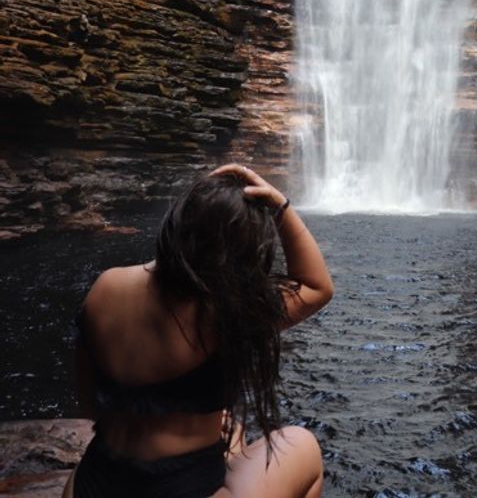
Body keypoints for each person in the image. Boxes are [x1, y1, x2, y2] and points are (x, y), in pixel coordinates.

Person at [62, 164, 334, 498]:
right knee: (303, 446)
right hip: (178, 490)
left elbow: (88, 408)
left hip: (93, 486)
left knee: (231, 427)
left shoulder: (105, 285)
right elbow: (317, 286)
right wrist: (281, 207)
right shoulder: (227, 311)